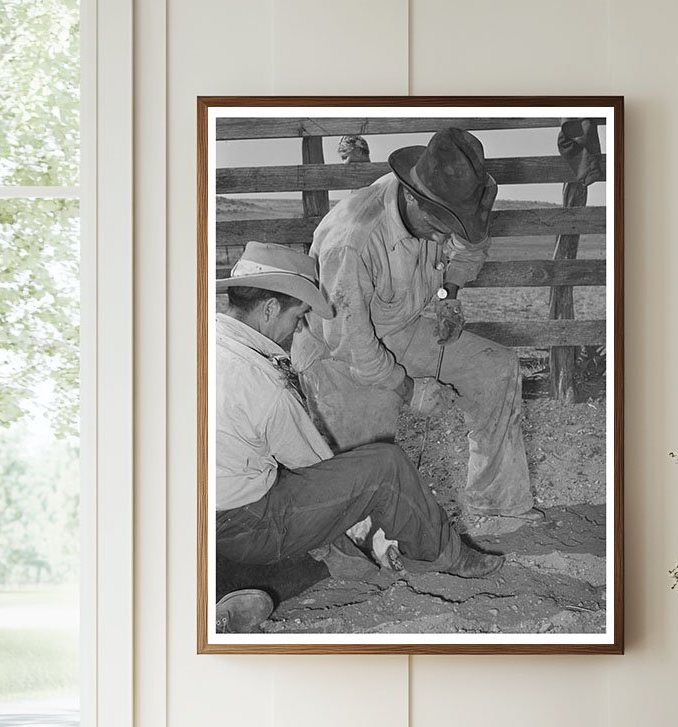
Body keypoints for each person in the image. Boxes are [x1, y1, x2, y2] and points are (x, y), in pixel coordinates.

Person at [214, 241, 504, 633]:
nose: (298, 327)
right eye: (297, 315)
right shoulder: (262, 381)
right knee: (384, 466)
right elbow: (316, 467)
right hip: (242, 523)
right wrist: (373, 528)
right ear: (268, 310)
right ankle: (446, 556)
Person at [292, 127, 541, 530]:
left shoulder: (453, 192)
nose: (447, 236)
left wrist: (450, 294)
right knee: (372, 461)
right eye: (441, 225)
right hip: (337, 356)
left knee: (496, 368)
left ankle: (497, 506)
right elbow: (353, 345)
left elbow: (470, 247)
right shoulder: (352, 240)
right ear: (411, 195)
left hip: (401, 326)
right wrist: (411, 390)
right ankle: (354, 537)